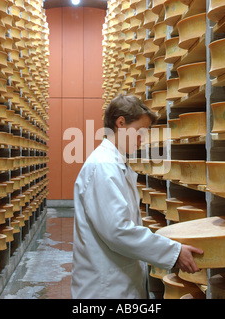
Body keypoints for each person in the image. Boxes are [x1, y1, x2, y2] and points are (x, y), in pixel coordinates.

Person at [71, 94, 203, 299]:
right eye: (140, 131)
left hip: (119, 281)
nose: (143, 138)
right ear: (121, 123)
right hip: (105, 289)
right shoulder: (103, 167)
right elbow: (118, 231)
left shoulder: (115, 164)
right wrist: (173, 253)